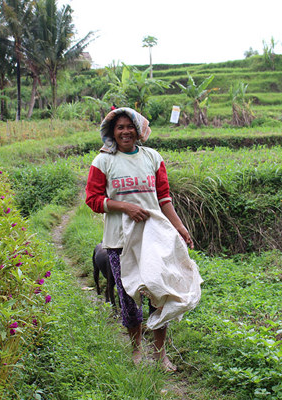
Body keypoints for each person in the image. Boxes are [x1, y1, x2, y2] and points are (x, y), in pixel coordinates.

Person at [85, 107, 194, 372]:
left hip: (154, 239)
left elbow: (164, 198)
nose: (125, 132)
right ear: (112, 132)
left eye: (129, 126)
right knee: (129, 297)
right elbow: (93, 200)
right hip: (120, 240)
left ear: (138, 130)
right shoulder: (103, 162)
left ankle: (160, 353)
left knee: (160, 294)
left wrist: (180, 228)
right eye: (119, 127)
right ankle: (136, 351)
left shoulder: (153, 158)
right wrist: (125, 207)